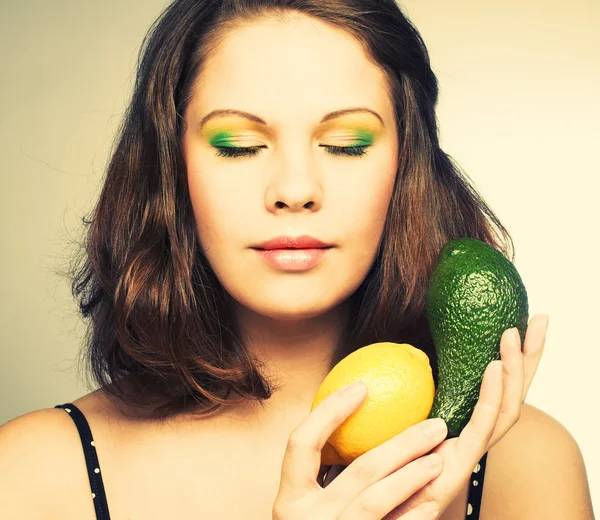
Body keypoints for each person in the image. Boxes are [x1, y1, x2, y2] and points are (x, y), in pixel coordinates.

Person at [0, 0, 594, 518]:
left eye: (345, 144)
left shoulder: (528, 464)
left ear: (404, 167)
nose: (293, 188)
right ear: (173, 170)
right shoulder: (33, 473)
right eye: (239, 146)